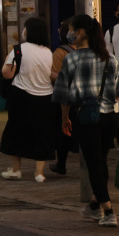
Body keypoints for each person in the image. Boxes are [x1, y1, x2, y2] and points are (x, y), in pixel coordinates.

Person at [54, 14, 119, 227]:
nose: (69, 33)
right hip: (110, 118)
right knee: (101, 159)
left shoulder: (72, 59)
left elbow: (63, 95)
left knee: (94, 163)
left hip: (88, 116)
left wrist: (65, 119)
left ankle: (108, 210)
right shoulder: (109, 58)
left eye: (71, 29)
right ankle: (95, 205)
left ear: (80, 33)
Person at [0, 17, 56, 183]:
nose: (23, 31)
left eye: (25, 28)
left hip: (21, 97)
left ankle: (16, 170)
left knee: (14, 132)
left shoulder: (18, 50)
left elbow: (6, 73)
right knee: (42, 134)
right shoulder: (48, 52)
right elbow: (49, 73)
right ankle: (39, 173)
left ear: (29, 31)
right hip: (45, 98)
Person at [50, 18, 78, 176]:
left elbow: (57, 77)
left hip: (66, 97)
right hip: (86, 98)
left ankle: (61, 164)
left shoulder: (60, 52)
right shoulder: (91, 51)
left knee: (64, 131)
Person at [105, 2, 119, 147]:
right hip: (118, 76)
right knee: (118, 109)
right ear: (115, 13)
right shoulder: (111, 32)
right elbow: (107, 54)